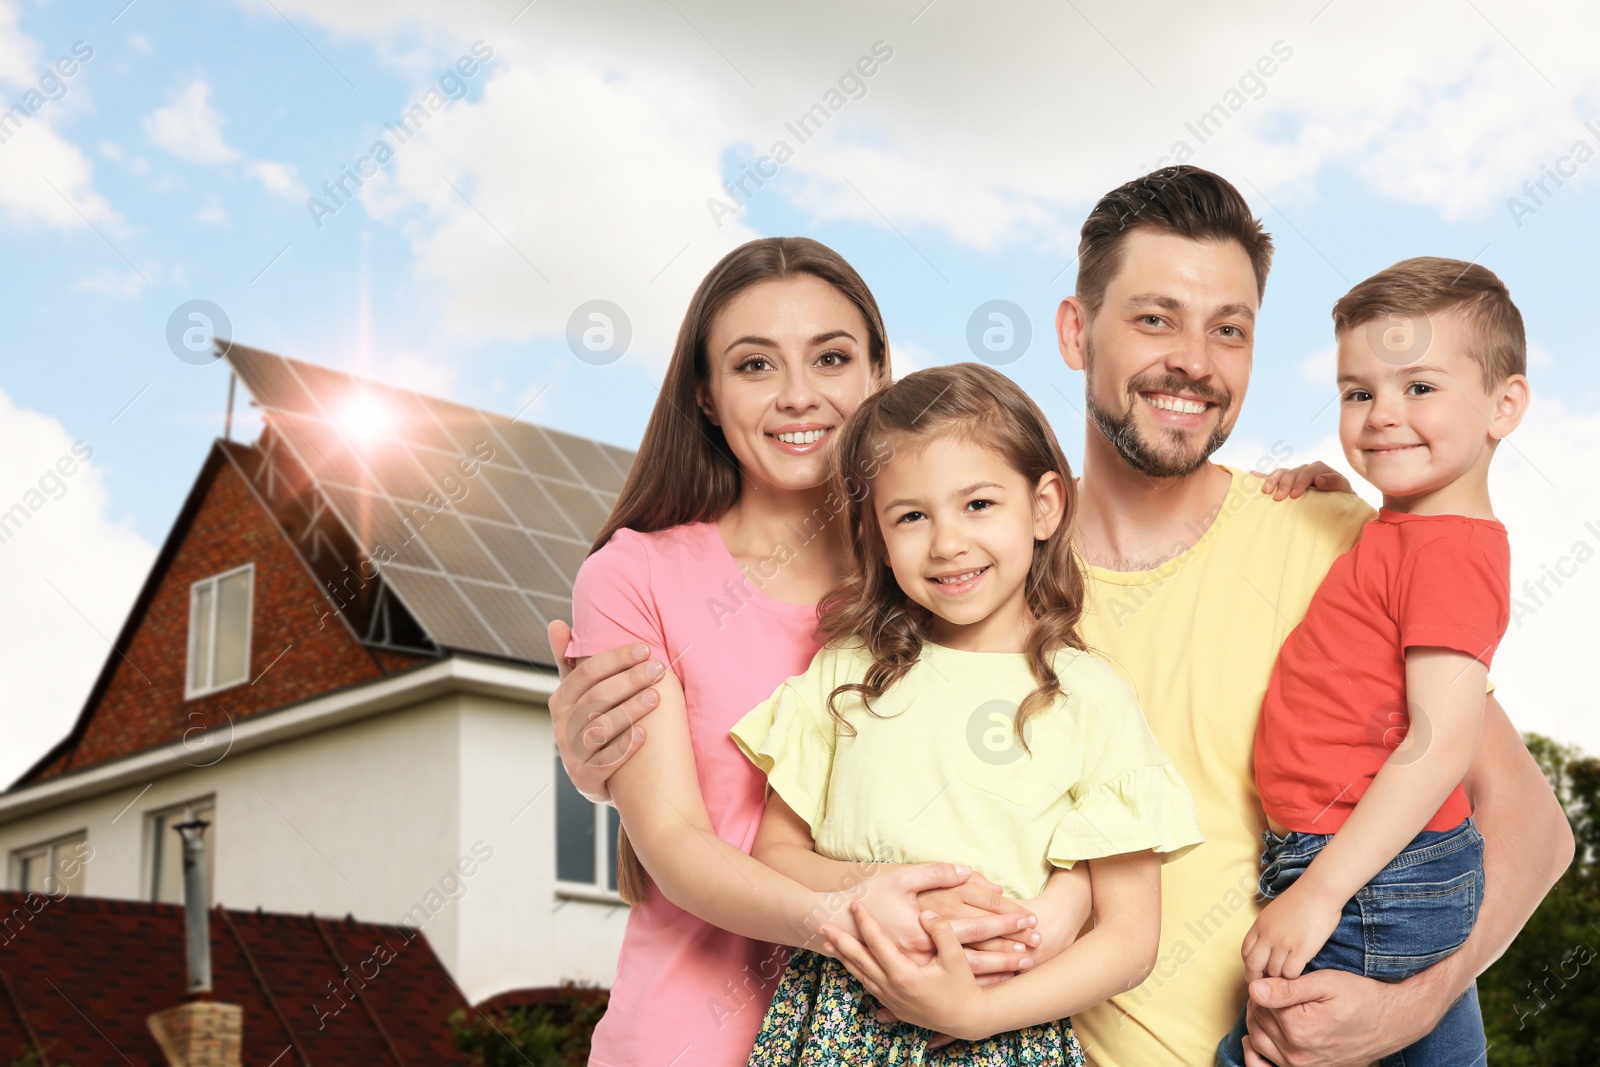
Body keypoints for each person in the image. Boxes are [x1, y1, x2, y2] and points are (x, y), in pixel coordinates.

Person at [546, 166, 1574, 1067]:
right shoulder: (969, 571)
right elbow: (793, 767)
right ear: (1076, 332)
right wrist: (600, 762)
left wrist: (1408, 1005)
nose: (1193, 359)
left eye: (1230, 328)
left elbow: (1528, 830)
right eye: (1153, 317)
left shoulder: (1326, 537)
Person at [562, 236, 1088, 1067]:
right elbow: (674, 844)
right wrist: (851, 906)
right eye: (754, 366)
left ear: (878, 372)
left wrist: (1055, 909)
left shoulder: (951, 569)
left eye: (832, 357)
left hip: (913, 1041)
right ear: (704, 393)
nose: (798, 396)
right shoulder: (635, 575)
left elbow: (1075, 781)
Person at [732, 363, 1204, 1064]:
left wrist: (982, 1012)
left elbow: (1129, 941)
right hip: (836, 1018)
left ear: (1044, 506)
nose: (947, 542)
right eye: (912, 515)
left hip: (1001, 1031)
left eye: (978, 504)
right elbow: (775, 854)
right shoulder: (846, 673)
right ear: (878, 535)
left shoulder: (1091, 697)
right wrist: (872, 891)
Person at [1217, 258, 1530, 1066]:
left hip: (1365, 869)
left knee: (1274, 1045)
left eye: (1419, 388)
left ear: (1506, 405)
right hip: (1364, 862)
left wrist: (1320, 892)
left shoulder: (1452, 554)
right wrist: (1342, 495)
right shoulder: (1407, 527)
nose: (1382, 415)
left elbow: (1439, 744)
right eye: (1360, 393)